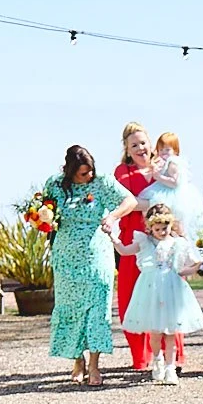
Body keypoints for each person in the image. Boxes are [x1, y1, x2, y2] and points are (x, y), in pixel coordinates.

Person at [46, 145, 142, 386]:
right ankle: (77, 360)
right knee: (71, 308)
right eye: (82, 173)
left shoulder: (102, 183)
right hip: (66, 257)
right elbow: (44, 212)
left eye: (89, 171)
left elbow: (129, 200)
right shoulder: (55, 185)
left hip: (97, 255)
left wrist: (112, 216)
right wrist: (42, 221)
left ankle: (94, 365)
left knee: (97, 308)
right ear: (70, 171)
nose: (88, 176)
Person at [114, 203, 203, 385]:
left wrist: (200, 264)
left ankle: (170, 367)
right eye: (157, 229)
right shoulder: (144, 243)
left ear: (170, 225)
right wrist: (113, 238)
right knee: (155, 332)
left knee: (171, 331)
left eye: (165, 228)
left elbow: (187, 266)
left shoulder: (177, 243)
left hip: (171, 289)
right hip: (151, 289)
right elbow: (124, 251)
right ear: (150, 228)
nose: (162, 232)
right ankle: (157, 359)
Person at [140, 131, 197, 373]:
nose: (164, 153)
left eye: (168, 149)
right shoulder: (163, 162)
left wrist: (156, 176)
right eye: (161, 149)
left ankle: (171, 362)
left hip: (172, 197)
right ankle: (158, 360)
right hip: (156, 277)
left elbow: (174, 183)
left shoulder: (174, 164)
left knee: (173, 230)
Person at [112, 124, 156, 374]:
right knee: (131, 296)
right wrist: (156, 203)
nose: (141, 148)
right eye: (134, 145)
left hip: (162, 238)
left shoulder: (163, 169)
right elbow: (126, 202)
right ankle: (140, 355)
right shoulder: (123, 172)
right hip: (133, 239)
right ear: (127, 151)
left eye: (143, 143)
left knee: (164, 296)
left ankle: (168, 353)